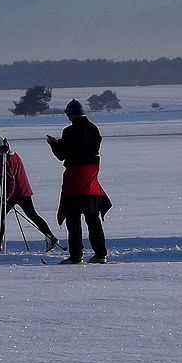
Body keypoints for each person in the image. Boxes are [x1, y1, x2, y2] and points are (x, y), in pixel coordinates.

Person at [46, 99, 111, 264]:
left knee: (73, 219)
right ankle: (101, 253)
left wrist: (54, 143)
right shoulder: (94, 129)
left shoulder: (69, 131)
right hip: (91, 179)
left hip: (75, 179)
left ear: (71, 114)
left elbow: (62, 155)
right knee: (92, 218)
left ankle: (76, 255)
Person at [0, 135, 60, 253]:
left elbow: (10, 181)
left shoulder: (5, 161)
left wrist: (6, 197)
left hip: (13, 194)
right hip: (24, 192)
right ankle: (50, 237)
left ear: (5, 146)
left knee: (0, 216)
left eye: (0, 149)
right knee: (32, 215)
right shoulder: (14, 155)